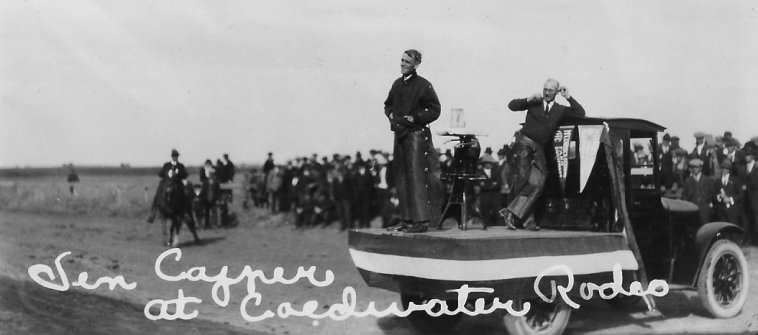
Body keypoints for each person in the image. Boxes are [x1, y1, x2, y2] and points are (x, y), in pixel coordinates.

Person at [499, 78, 586, 230]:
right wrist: (528, 99)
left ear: (556, 92)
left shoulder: (561, 110)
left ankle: (512, 213)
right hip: (524, 145)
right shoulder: (534, 103)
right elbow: (512, 105)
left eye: (550, 90)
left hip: (539, 150)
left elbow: (580, 113)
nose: (546, 92)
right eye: (545, 89)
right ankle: (525, 220)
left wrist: (569, 97)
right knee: (522, 181)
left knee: (538, 183)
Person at [383, 49, 443, 233]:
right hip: (400, 135)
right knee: (401, 178)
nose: (402, 64)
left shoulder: (424, 85)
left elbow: (435, 109)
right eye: (401, 60)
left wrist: (415, 118)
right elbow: (388, 104)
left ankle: (421, 221)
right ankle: (407, 220)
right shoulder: (396, 84)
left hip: (416, 135)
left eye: (407, 62)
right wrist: (391, 115)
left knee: (417, 178)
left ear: (416, 65)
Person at [146, 149, 189, 223]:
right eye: (174, 156)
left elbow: (185, 175)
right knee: (158, 195)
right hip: (166, 184)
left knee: (184, 194)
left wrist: (178, 174)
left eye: (176, 156)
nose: (175, 157)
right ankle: (153, 213)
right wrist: (167, 172)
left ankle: (185, 213)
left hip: (177, 184)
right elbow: (160, 174)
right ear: (172, 157)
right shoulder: (167, 165)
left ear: (178, 157)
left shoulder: (180, 166)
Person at [681, 158, 714, 224]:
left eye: (697, 167)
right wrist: (687, 204)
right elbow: (683, 195)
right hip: (692, 208)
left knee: (705, 227)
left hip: (704, 208)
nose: (694, 169)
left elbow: (712, 193)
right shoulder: (688, 180)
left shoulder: (707, 180)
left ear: (701, 168)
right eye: (693, 167)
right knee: (693, 226)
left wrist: (708, 203)